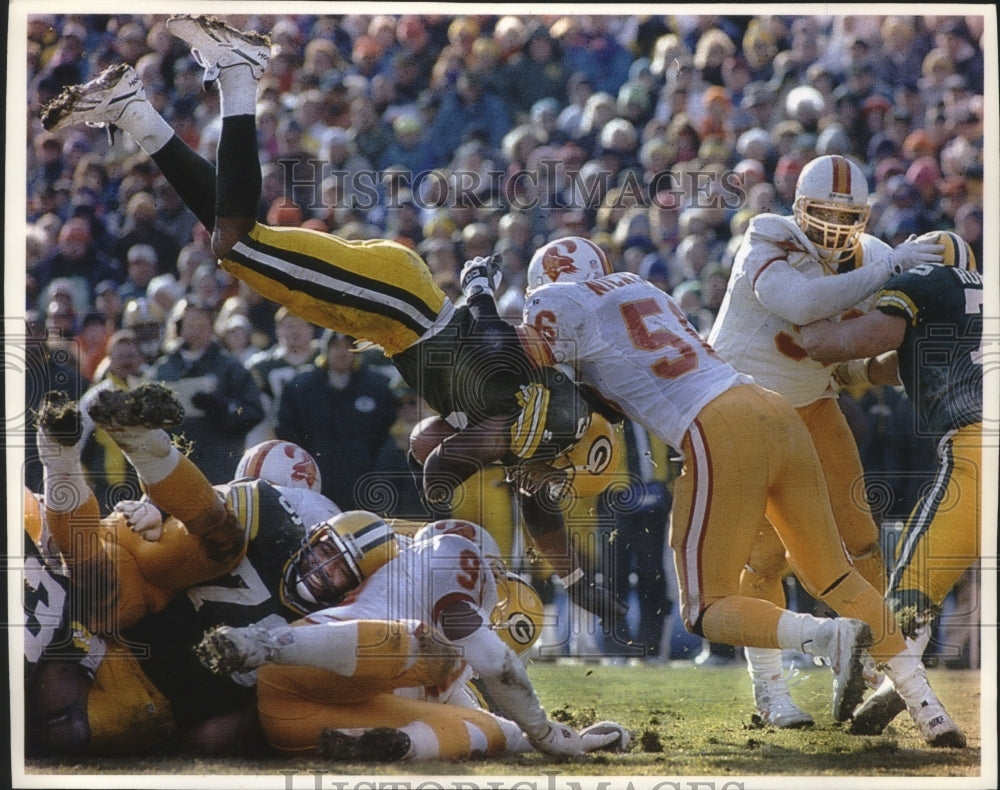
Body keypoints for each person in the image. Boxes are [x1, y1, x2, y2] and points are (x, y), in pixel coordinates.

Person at [39, 15, 614, 621]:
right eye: (558, 476)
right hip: (402, 305)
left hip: (390, 321)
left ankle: (134, 109)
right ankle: (236, 73)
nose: (547, 487)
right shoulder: (555, 415)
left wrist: (576, 579)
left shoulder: (540, 440)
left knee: (235, 244)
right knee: (237, 246)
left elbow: (519, 492)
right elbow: (443, 443)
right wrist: (471, 446)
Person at [517, 235, 964, 746]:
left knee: (704, 608)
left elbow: (513, 361)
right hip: (773, 408)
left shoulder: (559, 301)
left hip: (717, 428)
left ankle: (825, 637)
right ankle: (925, 705)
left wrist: (481, 299)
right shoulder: (638, 288)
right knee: (834, 575)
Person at [705, 153, 946, 727]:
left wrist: (915, 357)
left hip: (813, 406)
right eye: (822, 214)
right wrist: (891, 271)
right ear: (797, 210)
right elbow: (804, 305)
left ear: (864, 217)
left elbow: (850, 362)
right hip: (743, 408)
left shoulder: (877, 258)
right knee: (762, 559)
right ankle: (772, 691)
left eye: (848, 217)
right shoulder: (768, 238)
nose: (835, 230)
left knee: (862, 540)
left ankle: (863, 660)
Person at [29, 387, 340, 755]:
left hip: (141, 639)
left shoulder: (261, 508)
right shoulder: (314, 529)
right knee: (209, 545)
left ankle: (73, 463)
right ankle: (122, 455)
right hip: (156, 658)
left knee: (100, 593)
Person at [196, 512, 630, 761]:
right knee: (424, 646)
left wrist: (564, 737)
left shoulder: (449, 647)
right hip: (305, 662)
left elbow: (494, 725)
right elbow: (497, 664)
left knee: (486, 730)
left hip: (301, 723)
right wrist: (545, 735)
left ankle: (396, 747)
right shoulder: (450, 555)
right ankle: (260, 643)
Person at [799, 230, 981, 742]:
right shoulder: (977, 298)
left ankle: (912, 699)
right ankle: (891, 692)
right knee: (922, 588)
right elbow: (890, 363)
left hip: (978, 450)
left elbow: (836, 343)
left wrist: (799, 316)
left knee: (908, 592)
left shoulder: (927, 282)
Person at [276, 329, 398, 510]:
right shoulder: (302, 387)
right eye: (336, 346)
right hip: (316, 478)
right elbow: (286, 429)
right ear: (325, 350)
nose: (342, 352)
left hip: (364, 480)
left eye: (348, 347)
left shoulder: (377, 386)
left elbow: (389, 431)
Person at [147, 296, 265, 483]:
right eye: (190, 325)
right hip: (175, 468)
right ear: (179, 328)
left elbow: (253, 411)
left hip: (219, 466)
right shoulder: (163, 369)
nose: (196, 332)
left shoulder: (230, 366)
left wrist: (222, 407)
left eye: (202, 326)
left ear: (212, 328)